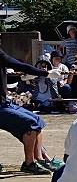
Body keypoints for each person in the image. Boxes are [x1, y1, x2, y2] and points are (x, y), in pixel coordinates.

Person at [1, 46, 61, 174]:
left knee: (37, 120)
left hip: (4, 103)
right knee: (30, 123)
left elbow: (7, 74)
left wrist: (21, 78)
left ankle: (41, 159)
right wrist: (46, 73)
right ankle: (29, 163)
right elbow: (17, 65)